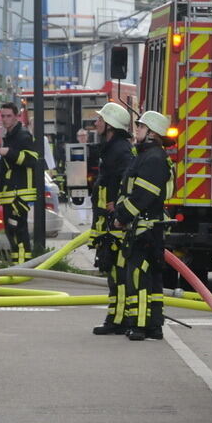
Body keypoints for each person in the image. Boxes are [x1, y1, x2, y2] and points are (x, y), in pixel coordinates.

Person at [111, 110, 174, 341]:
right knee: (149, 278)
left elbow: (143, 196)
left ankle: (140, 326)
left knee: (139, 277)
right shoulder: (146, 155)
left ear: (152, 132)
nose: (136, 129)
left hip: (145, 228)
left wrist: (122, 217)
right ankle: (153, 326)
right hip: (144, 227)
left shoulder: (154, 158)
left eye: (140, 126)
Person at [89, 102, 136, 335]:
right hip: (109, 222)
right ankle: (117, 317)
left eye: (100, 119)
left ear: (110, 125)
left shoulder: (120, 150)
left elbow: (128, 180)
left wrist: (117, 204)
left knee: (117, 272)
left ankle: (118, 320)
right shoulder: (111, 148)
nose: (96, 122)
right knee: (113, 272)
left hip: (116, 224)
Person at [0, 101, 39, 265]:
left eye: (8, 116)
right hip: (11, 194)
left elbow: (32, 160)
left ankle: (22, 265)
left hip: (18, 194)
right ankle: (18, 263)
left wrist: (9, 152)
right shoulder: (9, 136)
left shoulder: (23, 135)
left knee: (17, 229)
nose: (5, 119)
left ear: (16, 116)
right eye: (3, 116)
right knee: (11, 230)